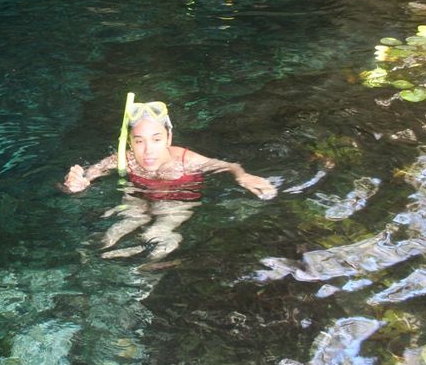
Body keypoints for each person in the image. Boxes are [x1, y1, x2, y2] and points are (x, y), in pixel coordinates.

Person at [64, 99, 276, 261]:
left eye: (156, 139)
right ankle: (93, 258)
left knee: (157, 233)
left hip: (178, 199)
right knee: (122, 225)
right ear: (129, 142)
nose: (148, 151)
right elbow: (90, 173)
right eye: (139, 142)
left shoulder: (187, 160)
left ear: (169, 138)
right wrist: (78, 183)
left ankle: (142, 268)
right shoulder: (124, 159)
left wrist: (242, 176)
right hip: (138, 194)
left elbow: (228, 165)